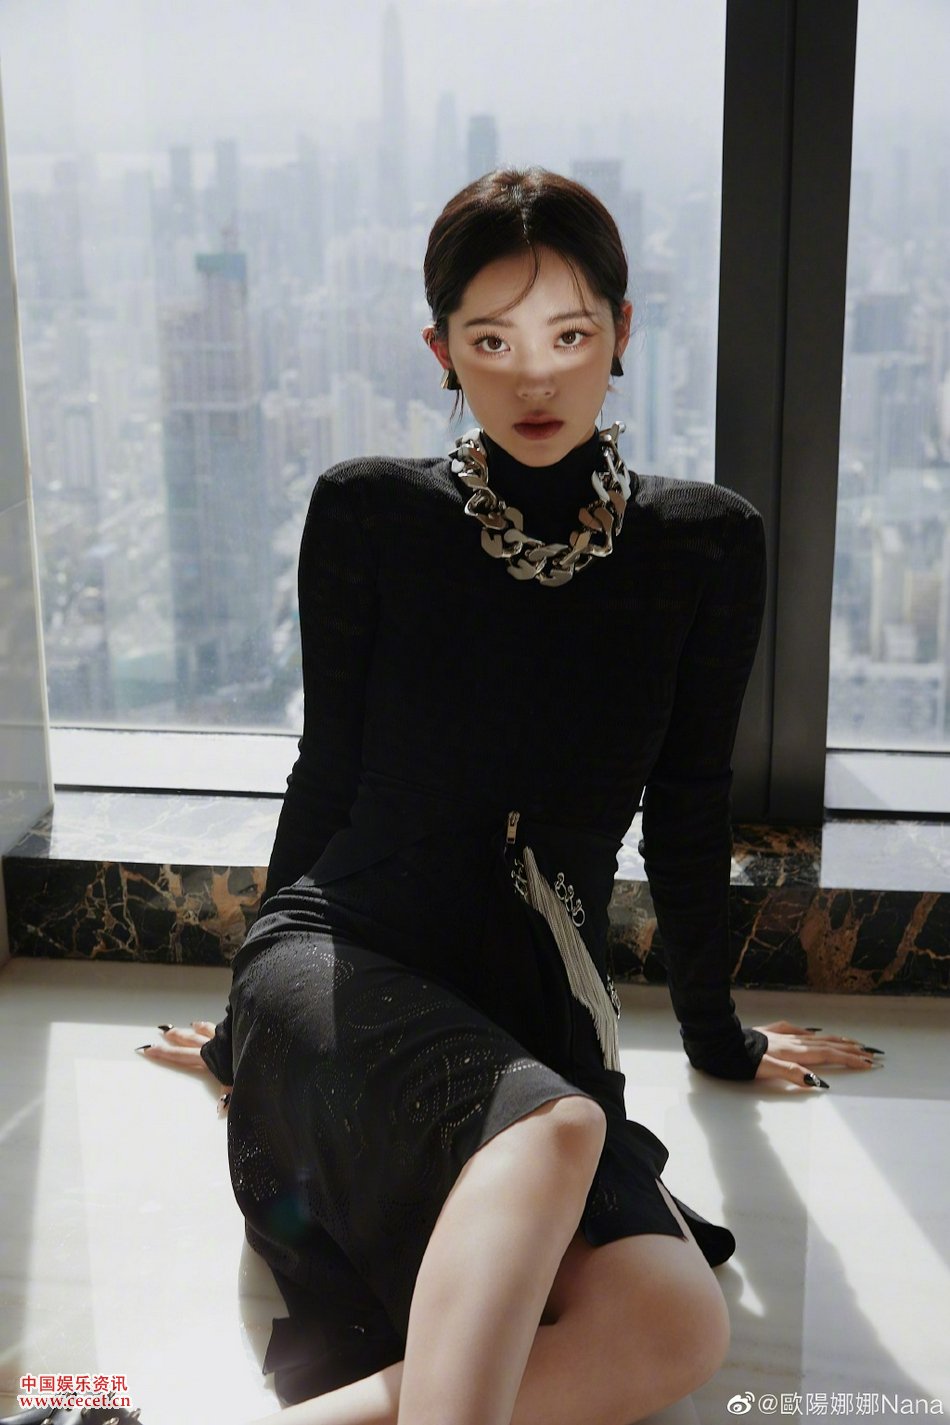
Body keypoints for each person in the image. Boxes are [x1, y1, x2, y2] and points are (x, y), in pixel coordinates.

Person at [140, 169, 881, 1425]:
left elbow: (687, 808)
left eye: (568, 336)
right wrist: (244, 1037)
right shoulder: (370, 513)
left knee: (671, 1322)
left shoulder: (704, 544)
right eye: (490, 342)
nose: (533, 379)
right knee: (550, 1137)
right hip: (345, 951)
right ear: (440, 350)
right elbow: (324, 776)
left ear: (621, 334)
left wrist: (718, 1038)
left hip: (534, 1004)